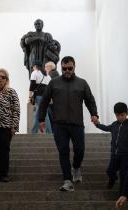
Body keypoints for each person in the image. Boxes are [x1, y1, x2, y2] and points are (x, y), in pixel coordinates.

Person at [38, 56, 99, 191]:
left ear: (74, 67)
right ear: (61, 68)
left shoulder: (82, 83)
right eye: (64, 68)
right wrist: (41, 119)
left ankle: (76, 167)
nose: (67, 71)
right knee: (63, 151)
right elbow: (44, 101)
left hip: (77, 124)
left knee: (80, 150)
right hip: (59, 124)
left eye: (69, 68)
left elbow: (90, 100)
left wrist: (94, 114)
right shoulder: (54, 83)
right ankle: (67, 181)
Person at [94, 102, 128, 194]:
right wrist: (97, 124)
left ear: (127, 113)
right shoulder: (114, 124)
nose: (120, 117)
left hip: (126, 155)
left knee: (124, 175)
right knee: (110, 171)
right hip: (115, 154)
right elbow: (106, 128)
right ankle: (113, 178)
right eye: (117, 115)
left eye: (122, 115)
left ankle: (122, 193)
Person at [0, 68, 20, 182]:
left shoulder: (11, 92)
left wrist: (14, 126)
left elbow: (16, 109)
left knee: (3, 150)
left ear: (7, 80)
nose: (0, 78)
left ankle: (3, 174)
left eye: (3, 77)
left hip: (5, 126)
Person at [29, 60, 52, 134]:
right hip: (47, 95)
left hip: (39, 95)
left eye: (33, 66)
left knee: (43, 113)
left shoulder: (35, 73)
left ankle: (49, 132)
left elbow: (32, 85)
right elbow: (50, 87)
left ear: (35, 66)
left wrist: (30, 96)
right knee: (38, 112)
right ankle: (34, 131)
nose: (32, 68)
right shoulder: (47, 74)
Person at [44, 61, 59, 132]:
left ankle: (54, 131)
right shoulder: (55, 73)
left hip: (53, 99)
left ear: (50, 67)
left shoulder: (52, 74)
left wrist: (51, 98)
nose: (45, 69)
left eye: (46, 67)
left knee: (51, 115)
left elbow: (54, 87)